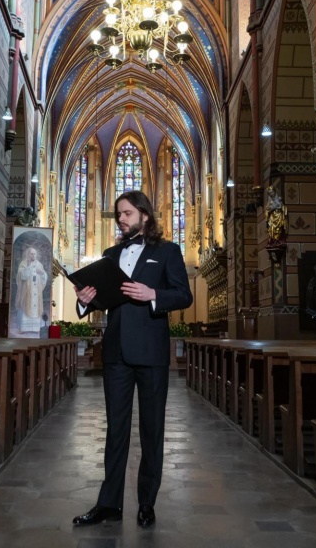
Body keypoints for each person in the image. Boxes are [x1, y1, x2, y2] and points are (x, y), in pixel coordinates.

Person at [72, 190, 193, 529]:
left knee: (152, 430)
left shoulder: (167, 251)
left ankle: (146, 503)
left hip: (152, 352)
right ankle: (109, 503)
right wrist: (85, 299)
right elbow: (102, 299)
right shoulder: (111, 254)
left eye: (126, 213)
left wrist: (153, 294)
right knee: (115, 431)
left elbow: (184, 294)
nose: (121, 219)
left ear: (144, 214)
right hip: (116, 354)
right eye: (118, 214)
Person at [15, 246, 48, 334]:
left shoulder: (39, 264)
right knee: (25, 306)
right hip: (27, 291)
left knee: (35, 307)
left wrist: (42, 273)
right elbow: (22, 276)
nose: (33, 255)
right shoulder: (23, 263)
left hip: (36, 291)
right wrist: (28, 266)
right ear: (28, 254)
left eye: (34, 254)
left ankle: (36, 328)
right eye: (31, 253)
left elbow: (44, 277)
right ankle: (23, 328)